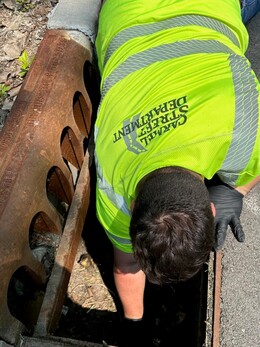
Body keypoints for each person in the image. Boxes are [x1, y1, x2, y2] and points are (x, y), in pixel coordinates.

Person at [94, 1, 260, 345]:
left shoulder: (242, 119)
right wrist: (134, 325)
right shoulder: (110, 173)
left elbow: (126, 264)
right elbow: (126, 266)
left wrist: (236, 192)